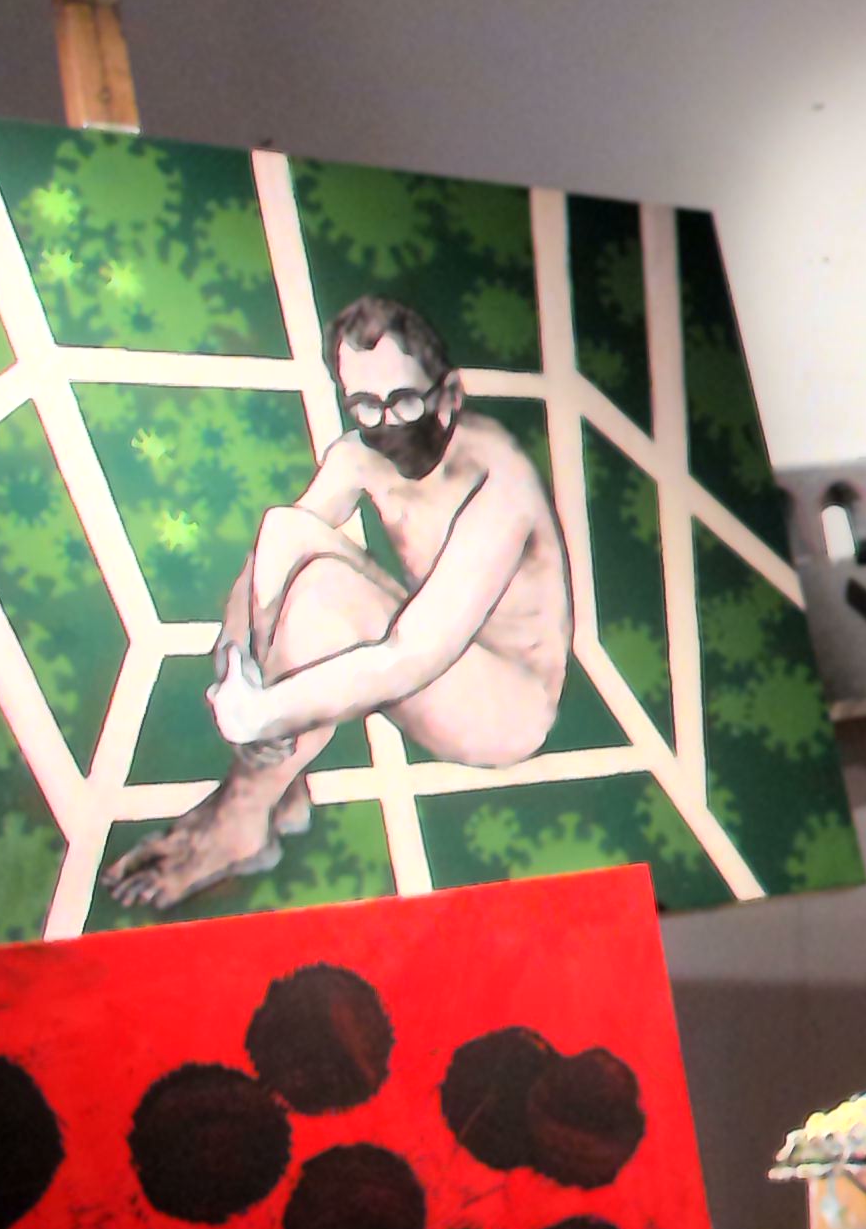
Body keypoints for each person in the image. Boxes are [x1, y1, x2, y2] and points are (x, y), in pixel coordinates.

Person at [105, 296, 570, 909]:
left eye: (405, 402)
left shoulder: (497, 480)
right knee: (284, 531)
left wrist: (265, 714)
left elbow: (414, 652)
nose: (388, 424)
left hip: (505, 709)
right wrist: (236, 663)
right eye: (366, 407)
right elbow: (269, 557)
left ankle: (242, 815)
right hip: (436, 665)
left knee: (324, 593)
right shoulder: (359, 456)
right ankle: (268, 783)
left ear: (449, 395)